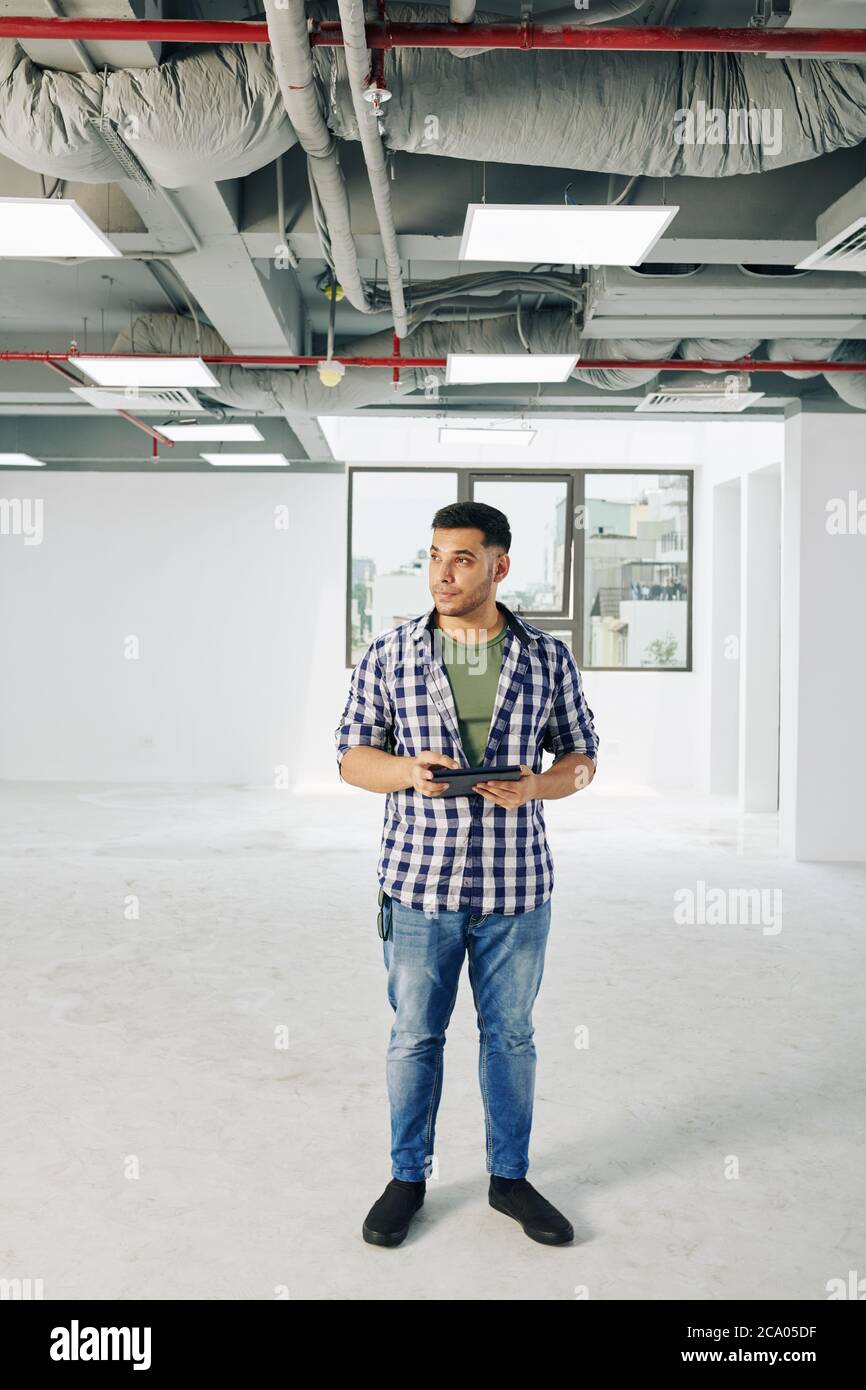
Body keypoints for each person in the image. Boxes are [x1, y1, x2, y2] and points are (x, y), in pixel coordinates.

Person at [335, 501, 599, 1248]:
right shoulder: (389, 653)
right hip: (418, 886)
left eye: (460, 559)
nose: (442, 574)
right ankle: (406, 1178)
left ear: (499, 566)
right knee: (415, 1036)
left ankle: (509, 1179)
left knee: (509, 1037)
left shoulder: (547, 658)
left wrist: (537, 786)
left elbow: (582, 762)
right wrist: (407, 772)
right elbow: (353, 759)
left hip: (517, 889)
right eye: (433, 557)